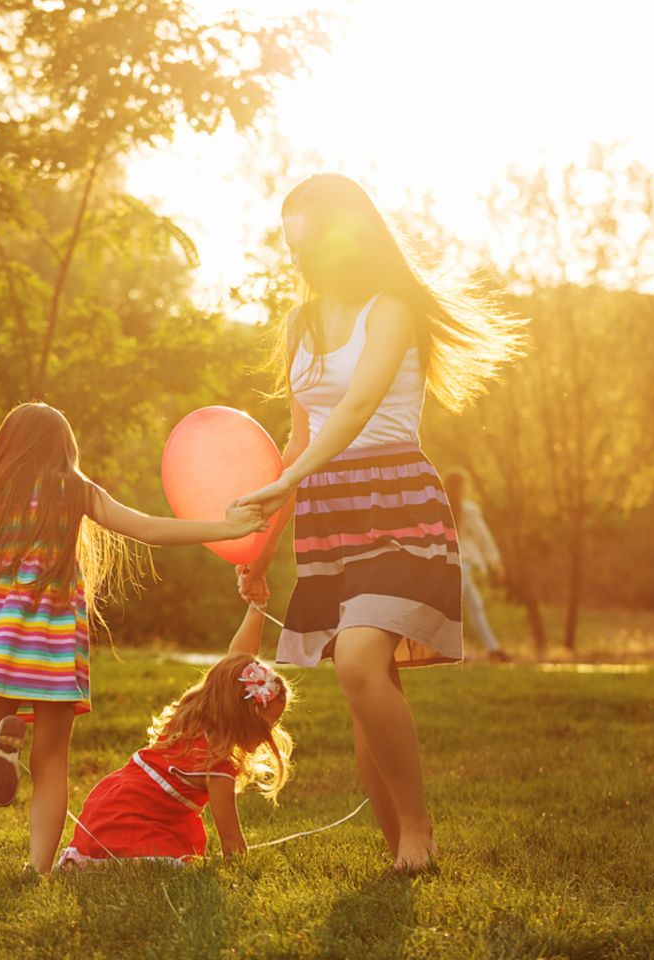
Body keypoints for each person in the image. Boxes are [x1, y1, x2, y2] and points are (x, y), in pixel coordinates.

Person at [0, 401, 266, 874]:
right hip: (55, 653)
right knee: (52, 762)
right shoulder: (75, 490)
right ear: (64, 448)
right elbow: (146, 528)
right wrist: (227, 528)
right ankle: (38, 869)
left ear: (5, 448)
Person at [234, 174, 524, 872]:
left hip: (397, 503)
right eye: (292, 244)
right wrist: (259, 549)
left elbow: (358, 408)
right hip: (329, 515)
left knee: (362, 660)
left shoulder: (391, 310)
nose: (300, 256)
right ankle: (402, 853)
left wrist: (287, 482)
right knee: (365, 684)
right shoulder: (299, 326)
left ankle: (419, 828)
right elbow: (300, 439)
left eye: (309, 241)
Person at [58, 622, 293, 867]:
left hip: (111, 805)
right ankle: (100, 861)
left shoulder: (191, 724)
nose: (269, 734)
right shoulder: (216, 765)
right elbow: (231, 839)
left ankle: (91, 859)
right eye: (267, 725)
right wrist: (246, 871)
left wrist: (256, 609)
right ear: (241, 718)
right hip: (127, 821)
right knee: (176, 867)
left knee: (182, 860)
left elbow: (234, 665)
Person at [442, 469, 510, 662]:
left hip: (447, 562)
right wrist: (495, 561)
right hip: (462, 563)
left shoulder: (441, 508)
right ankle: (452, 650)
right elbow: (483, 537)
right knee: (453, 607)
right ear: (461, 488)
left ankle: (493, 648)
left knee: (475, 605)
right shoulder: (469, 510)